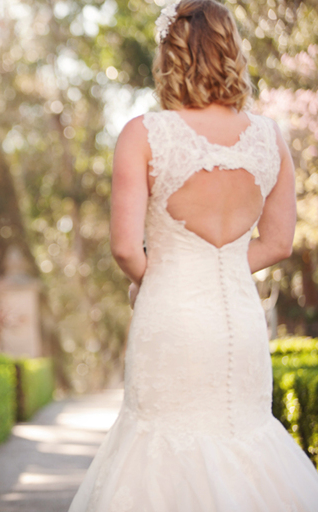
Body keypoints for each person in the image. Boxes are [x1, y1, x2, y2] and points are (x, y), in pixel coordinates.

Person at [69, 1, 318, 510]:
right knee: (243, 431)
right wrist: (218, 268)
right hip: (239, 321)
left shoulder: (144, 134)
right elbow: (276, 243)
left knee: (160, 442)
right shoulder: (271, 138)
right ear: (232, 51)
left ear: (171, 54)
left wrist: (158, 276)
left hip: (171, 316)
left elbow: (123, 246)